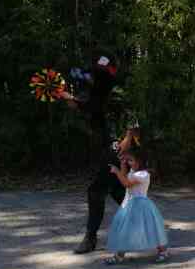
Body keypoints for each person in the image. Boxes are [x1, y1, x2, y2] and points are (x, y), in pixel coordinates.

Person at [60, 53, 140, 254]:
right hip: (103, 145)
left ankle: (90, 238)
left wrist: (127, 139)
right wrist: (65, 96)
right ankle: (144, 222)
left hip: (116, 145)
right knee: (116, 190)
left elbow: (132, 113)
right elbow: (83, 105)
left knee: (96, 190)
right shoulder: (94, 91)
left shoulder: (116, 90)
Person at [105, 147, 169, 264]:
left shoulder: (143, 175)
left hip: (141, 205)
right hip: (130, 204)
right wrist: (122, 164)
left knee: (151, 228)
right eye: (128, 160)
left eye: (131, 160)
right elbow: (125, 176)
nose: (129, 163)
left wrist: (117, 171)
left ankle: (163, 251)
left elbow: (126, 184)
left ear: (139, 161)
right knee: (125, 229)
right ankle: (119, 255)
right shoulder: (133, 172)